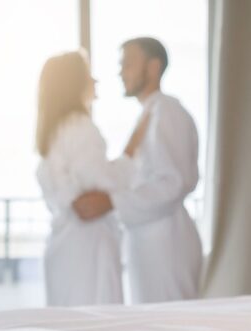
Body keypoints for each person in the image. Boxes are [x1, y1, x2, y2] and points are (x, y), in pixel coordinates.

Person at [72, 37, 202, 303]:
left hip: (166, 248)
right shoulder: (149, 113)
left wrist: (111, 202)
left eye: (128, 64)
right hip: (150, 245)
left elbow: (173, 183)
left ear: (153, 67)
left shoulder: (167, 111)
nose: (121, 72)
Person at [35, 50, 148, 307]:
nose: (95, 81)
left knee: (71, 328)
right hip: (87, 249)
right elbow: (102, 184)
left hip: (64, 247)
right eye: (89, 75)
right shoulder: (80, 128)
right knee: (97, 327)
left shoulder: (53, 133)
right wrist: (131, 152)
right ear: (74, 84)